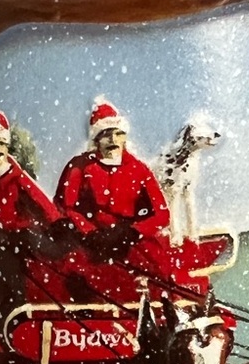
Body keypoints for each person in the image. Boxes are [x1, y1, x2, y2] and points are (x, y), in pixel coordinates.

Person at [0, 111, 60, 312]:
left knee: (43, 251)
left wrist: (56, 220)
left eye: (0, 144)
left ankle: (53, 293)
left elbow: (38, 199)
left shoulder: (15, 174)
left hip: (14, 233)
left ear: (7, 146)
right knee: (10, 265)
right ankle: (13, 308)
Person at [55, 98, 170, 262]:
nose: (113, 140)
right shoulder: (79, 166)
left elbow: (162, 214)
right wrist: (90, 232)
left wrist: (134, 232)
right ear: (96, 140)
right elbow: (65, 207)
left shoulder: (139, 169)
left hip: (129, 241)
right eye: (105, 135)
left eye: (118, 134)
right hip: (89, 241)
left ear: (124, 138)